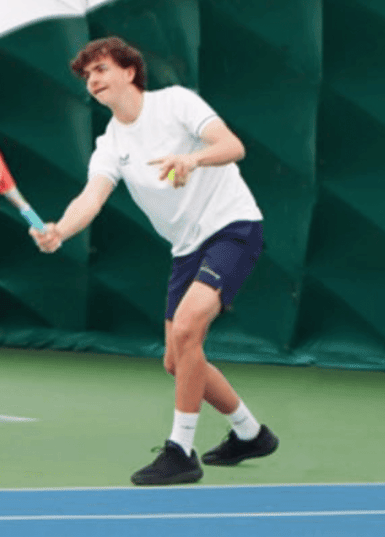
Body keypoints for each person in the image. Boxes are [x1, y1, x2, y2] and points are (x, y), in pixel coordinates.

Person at [31, 36, 278, 486]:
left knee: (186, 332)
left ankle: (180, 450)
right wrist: (60, 230)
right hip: (185, 248)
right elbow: (91, 197)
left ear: (129, 71)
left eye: (100, 69)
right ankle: (251, 432)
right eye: (87, 76)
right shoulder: (110, 144)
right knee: (175, 360)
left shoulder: (176, 103)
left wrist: (192, 158)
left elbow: (232, 146)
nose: (93, 81)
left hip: (231, 227)